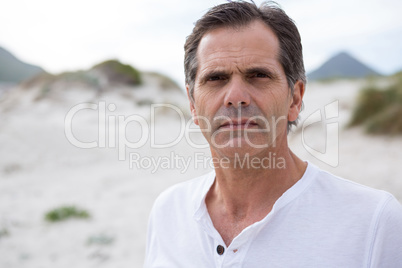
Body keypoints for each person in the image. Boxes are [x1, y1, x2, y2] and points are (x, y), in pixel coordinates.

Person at [144, 1, 402, 267]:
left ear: (295, 99)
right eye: (216, 78)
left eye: (258, 75)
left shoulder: (373, 224)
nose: (235, 98)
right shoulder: (168, 212)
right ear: (192, 104)